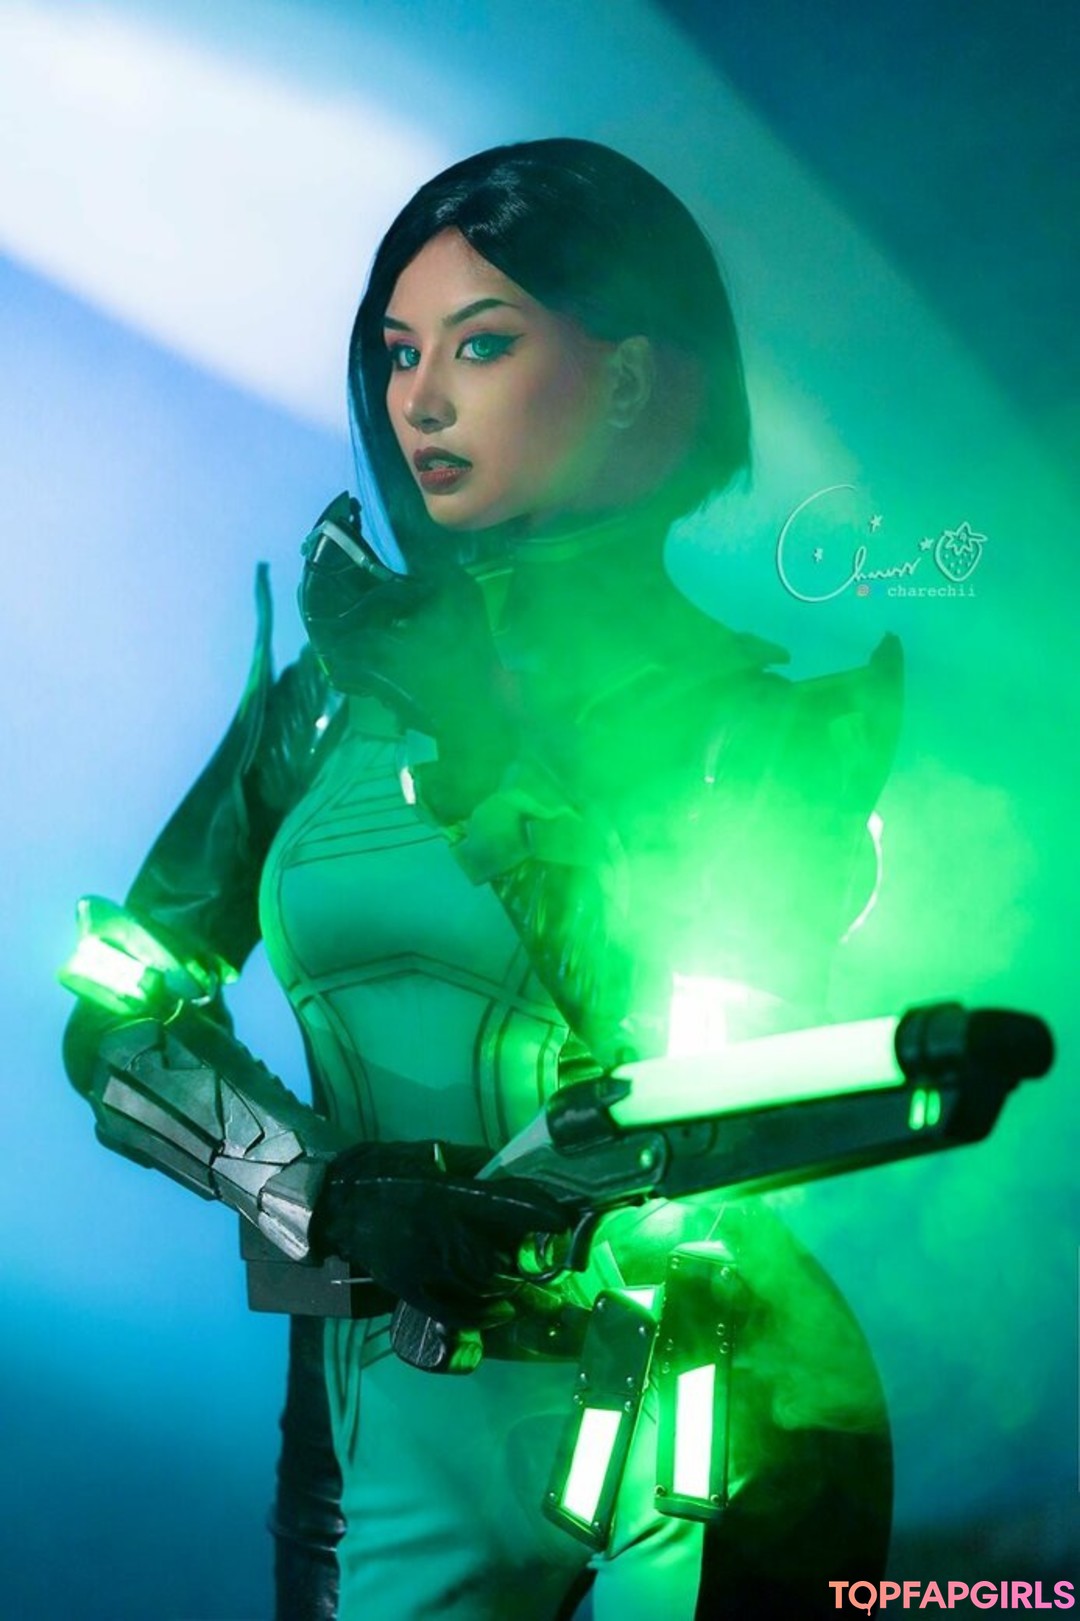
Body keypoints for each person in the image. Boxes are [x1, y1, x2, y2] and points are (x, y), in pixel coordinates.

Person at [64, 139, 902, 1619]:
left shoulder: (764, 731)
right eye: (400, 352)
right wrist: (333, 1195)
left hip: (700, 1412)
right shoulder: (328, 701)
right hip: (381, 1415)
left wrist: (481, 750)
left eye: (484, 342)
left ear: (636, 377)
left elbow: (719, 1098)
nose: (422, 400)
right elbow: (116, 1016)